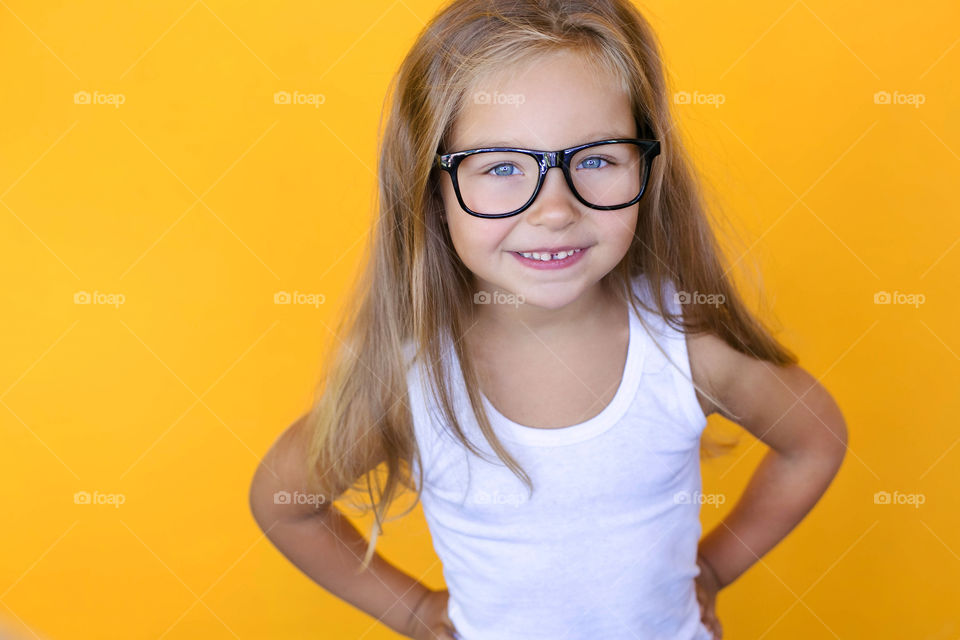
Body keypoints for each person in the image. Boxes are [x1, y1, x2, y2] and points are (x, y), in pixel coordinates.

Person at [248, 1, 848, 639]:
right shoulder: (414, 379)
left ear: (647, 165)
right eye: (503, 167)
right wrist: (413, 610)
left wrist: (715, 570)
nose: (555, 209)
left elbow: (814, 441)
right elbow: (285, 505)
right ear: (431, 188)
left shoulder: (684, 348)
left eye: (595, 158)